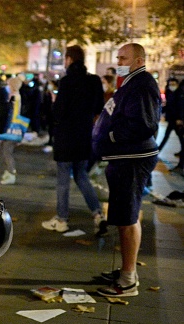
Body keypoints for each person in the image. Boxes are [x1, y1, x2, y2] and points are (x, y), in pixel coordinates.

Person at [93, 43, 161, 297]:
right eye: (118, 57)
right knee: (125, 216)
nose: (119, 61)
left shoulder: (141, 84)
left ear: (139, 60)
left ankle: (128, 279)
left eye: (124, 57)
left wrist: (109, 136)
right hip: (125, 158)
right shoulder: (131, 83)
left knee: (128, 217)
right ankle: (125, 271)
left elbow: (143, 124)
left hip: (131, 159)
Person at [41, 45, 107, 236]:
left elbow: (59, 112)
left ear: (69, 59)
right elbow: (98, 108)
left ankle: (62, 219)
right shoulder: (94, 81)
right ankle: (98, 215)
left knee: (63, 180)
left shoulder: (67, 81)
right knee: (81, 175)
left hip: (66, 137)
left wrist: (54, 103)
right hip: (84, 136)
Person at [0, 77, 23, 185]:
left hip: (10, 127)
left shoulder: (13, 96)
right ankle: (9, 171)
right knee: (6, 151)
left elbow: (11, 112)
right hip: (12, 126)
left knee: (7, 151)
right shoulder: (17, 95)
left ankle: (11, 172)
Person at [157, 78, 181, 153]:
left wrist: (180, 119)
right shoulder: (169, 93)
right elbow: (168, 106)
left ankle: (158, 150)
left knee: (180, 138)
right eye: (170, 84)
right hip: (171, 118)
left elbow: (181, 107)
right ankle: (158, 150)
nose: (172, 86)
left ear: (177, 85)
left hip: (177, 120)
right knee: (167, 135)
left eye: (173, 84)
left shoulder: (180, 94)